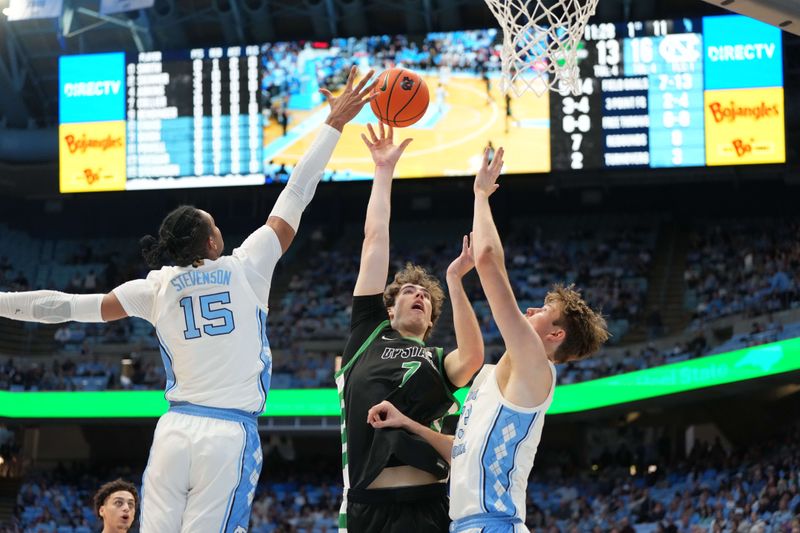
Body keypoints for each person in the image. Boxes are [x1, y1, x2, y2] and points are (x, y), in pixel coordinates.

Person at [0, 65, 377, 533]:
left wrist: (3, 302)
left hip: (174, 429)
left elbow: (64, 306)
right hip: (226, 432)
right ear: (212, 244)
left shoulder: (153, 288)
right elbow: (297, 191)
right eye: (215, 225)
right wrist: (334, 123)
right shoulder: (247, 265)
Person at [367, 147, 610, 532]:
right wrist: (409, 424)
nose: (531, 311)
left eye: (543, 310)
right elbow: (463, 453)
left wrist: (481, 194)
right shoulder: (489, 376)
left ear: (555, 335)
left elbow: (488, 260)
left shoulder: (535, 364)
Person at [336, 122, 484, 532]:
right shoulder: (367, 334)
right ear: (389, 308)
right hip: (369, 506)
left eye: (425, 296)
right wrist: (383, 171)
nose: (418, 295)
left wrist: (454, 280)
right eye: (409, 292)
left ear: (432, 319)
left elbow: (473, 357)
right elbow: (374, 240)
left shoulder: (436, 359)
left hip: (429, 503)